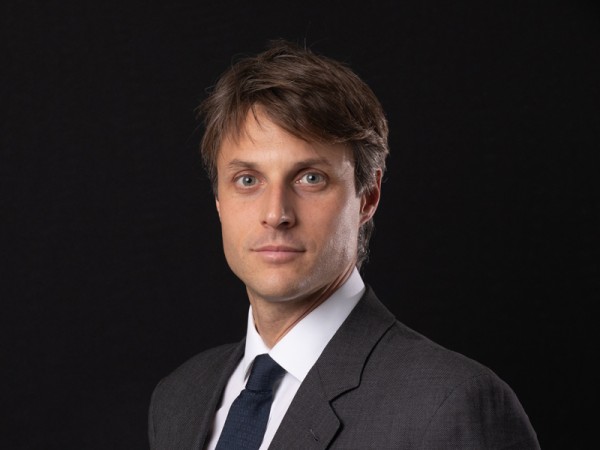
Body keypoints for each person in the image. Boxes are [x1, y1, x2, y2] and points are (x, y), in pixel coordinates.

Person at [148, 40, 540, 449]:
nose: (276, 213)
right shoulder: (179, 399)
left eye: (310, 178)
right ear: (218, 201)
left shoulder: (452, 404)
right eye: (248, 180)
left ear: (368, 196)